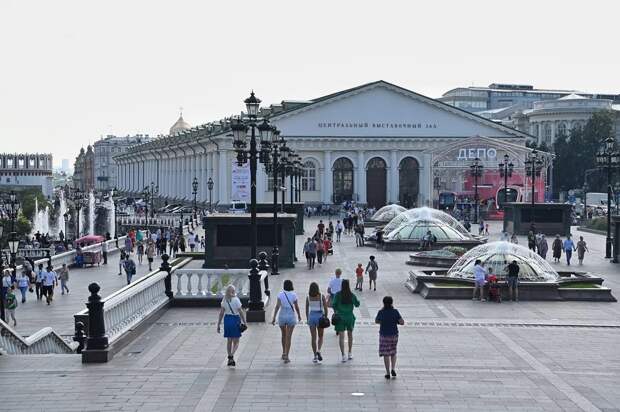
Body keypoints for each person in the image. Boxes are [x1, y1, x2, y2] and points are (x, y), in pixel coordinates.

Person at [271, 280, 301, 363]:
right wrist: (299, 315)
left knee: (283, 335)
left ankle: (283, 352)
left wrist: (274, 317)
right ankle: (287, 356)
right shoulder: (294, 295)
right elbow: (297, 307)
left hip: (282, 315)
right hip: (291, 316)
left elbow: (277, 307)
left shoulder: (280, 295)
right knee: (289, 336)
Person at [217, 285, 247, 367]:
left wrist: (218, 324)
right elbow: (240, 312)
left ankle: (230, 357)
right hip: (235, 320)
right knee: (236, 341)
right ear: (233, 292)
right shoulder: (236, 300)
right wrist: (244, 322)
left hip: (227, 320)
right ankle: (231, 355)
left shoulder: (224, 300)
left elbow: (221, 313)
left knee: (229, 340)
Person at [375, 296, 404, 379]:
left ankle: (387, 373)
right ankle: (393, 368)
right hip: (394, 335)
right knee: (393, 352)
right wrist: (396, 321)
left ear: (383, 303)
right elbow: (402, 322)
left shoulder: (381, 312)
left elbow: (376, 321)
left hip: (384, 335)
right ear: (392, 302)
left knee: (386, 354)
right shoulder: (395, 312)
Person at [332, 279, 360, 362]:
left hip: (340, 318)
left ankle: (343, 355)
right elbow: (357, 304)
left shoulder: (338, 294)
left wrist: (336, 311)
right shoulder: (351, 295)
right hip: (349, 317)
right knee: (350, 335)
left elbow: (334, 305)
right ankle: (350, 353)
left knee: (341, 337)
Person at [305, 282, 328, 363]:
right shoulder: (322, 296)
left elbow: (306, 308)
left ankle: (315, 356)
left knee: (313, 338)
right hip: (320, 317)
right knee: (320, 336)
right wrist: (325, 316)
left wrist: (308, 318)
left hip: (311, 317)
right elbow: (325, 308)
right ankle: (318, 350)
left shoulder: (308, 297)